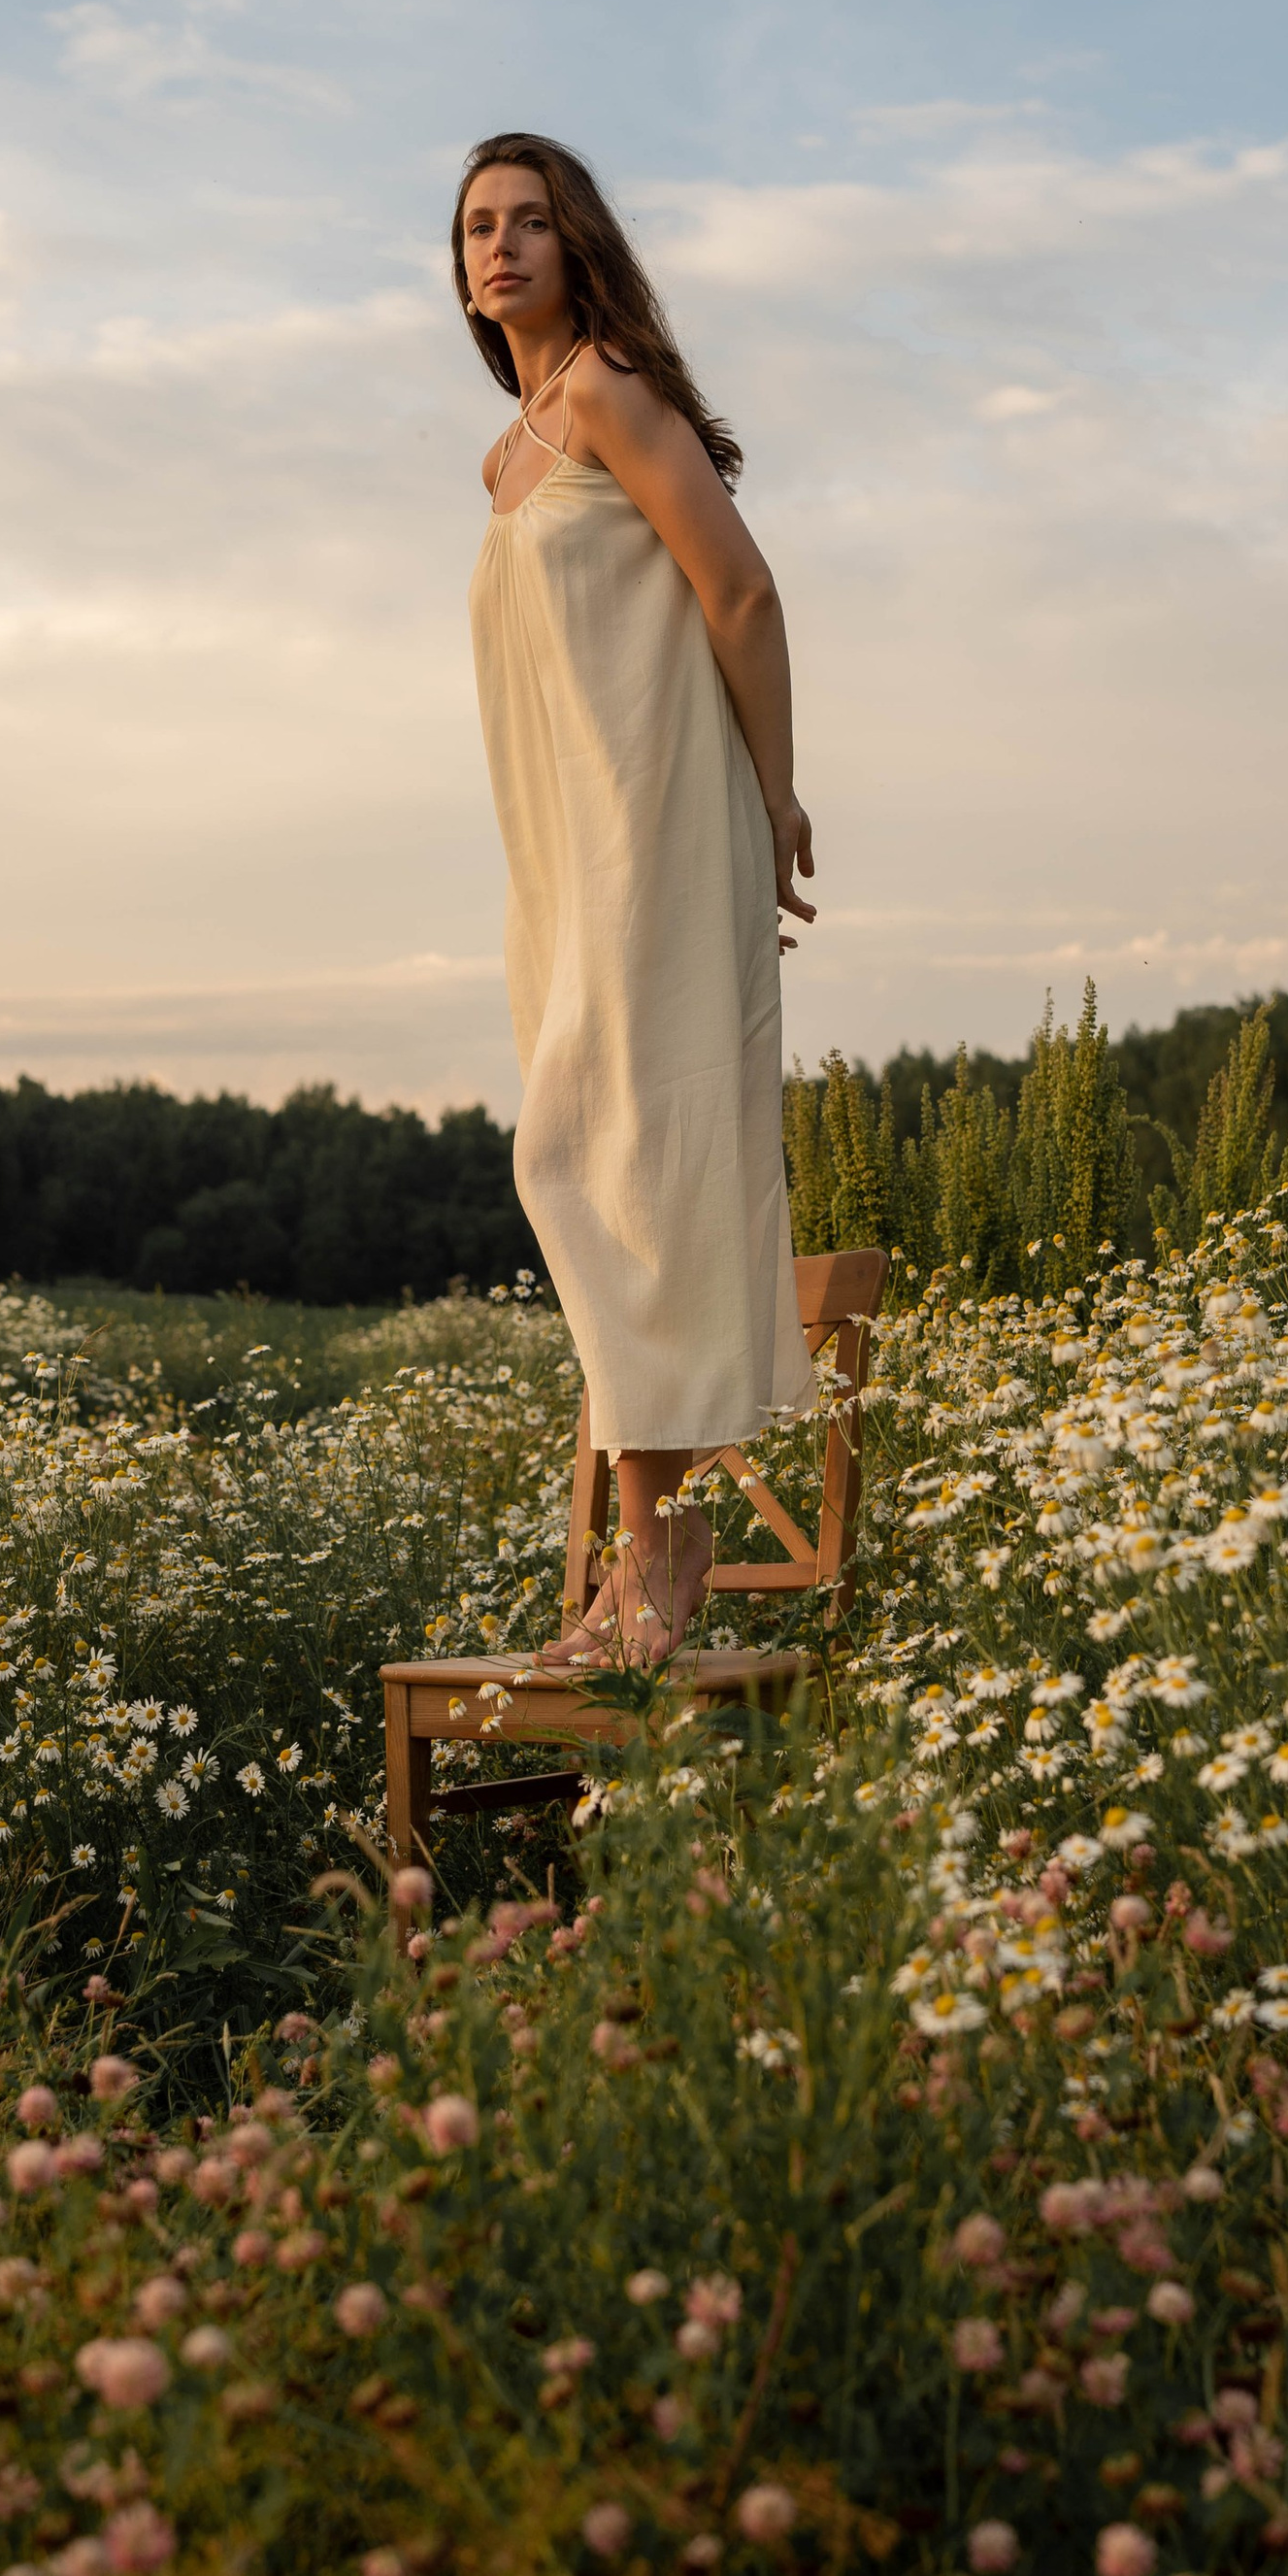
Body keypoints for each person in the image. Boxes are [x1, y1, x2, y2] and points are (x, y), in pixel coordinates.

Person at [457, 131, 817, 1667]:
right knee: (603, 1170)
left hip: (664, 832)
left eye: (531, 221)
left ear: (577, 242)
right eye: (478, 228)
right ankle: (651, 1564)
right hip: (567, 856)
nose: (501, 246)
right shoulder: (507, 455)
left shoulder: (605, 388)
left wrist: (777, 791)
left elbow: (739, 590)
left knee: (601, 1158)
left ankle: (659, 1569)